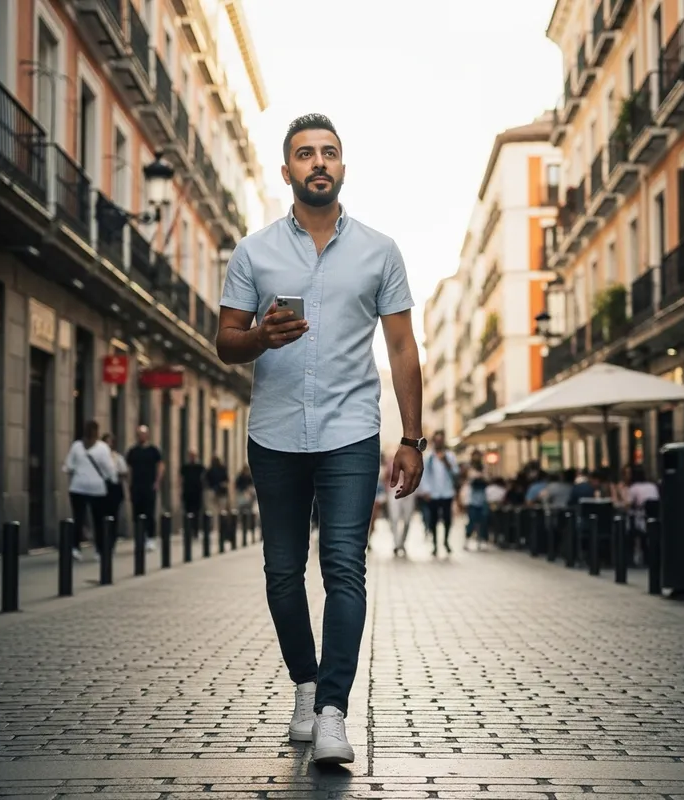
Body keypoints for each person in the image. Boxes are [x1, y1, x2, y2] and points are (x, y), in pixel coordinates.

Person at [216, 113, 424, 765]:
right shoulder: (254, 252)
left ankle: (333, 709)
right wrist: (260, 338)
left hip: (351, 432)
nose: (318, 162)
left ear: (342, 166)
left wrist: (412, 437)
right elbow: (225, 342)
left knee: (344, 568)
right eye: (305, 153)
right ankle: (305, 683)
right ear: (287, 172)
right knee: (282, 573)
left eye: (329, 152)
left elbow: (400, 347)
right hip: (275, 433)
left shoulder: (379, 250)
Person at [63, 420, 117, 561]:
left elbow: (68, 466)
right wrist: (110, 478)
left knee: (78, 519)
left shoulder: (77, 446)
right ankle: (99, 550)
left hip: (78, 487)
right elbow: (109, 468)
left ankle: (75, 548)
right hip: (97, 488)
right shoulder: (103, 448)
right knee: (98, 521)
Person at [418, 431, 459, 556]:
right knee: (433, 520)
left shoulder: (450, 456)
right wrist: (426, 491)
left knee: (447, 519)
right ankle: (435, 544)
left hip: (447, 493)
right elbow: (424, 476)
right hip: (433, 494)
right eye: (436, 440)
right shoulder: (428, 457)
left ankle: (446, 541)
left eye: (441, 440)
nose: (438, 443)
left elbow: (455, 473)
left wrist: (446, 462)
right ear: (434, 442)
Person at [126, 425, 165, 551]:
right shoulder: (133, 451)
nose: (141, 436)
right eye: (139, 434)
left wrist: (157, 482)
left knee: (149, 512)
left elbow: (160, 465)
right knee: (137, 512)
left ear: (147, 435)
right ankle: (139, 537)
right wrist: (129, 484)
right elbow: (129, 469)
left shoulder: (153, 450)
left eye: (143, 434)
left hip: (149, 486)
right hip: (136, 486)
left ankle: (151, 537)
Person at [102, 432, 128, 542]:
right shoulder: (99, 457)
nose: (108, 444)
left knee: (113, 513)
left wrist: (117, 473)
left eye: (110, 442)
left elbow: (124, 472)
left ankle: (112, 535)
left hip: (114, 488)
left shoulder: (117, 457)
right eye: (106, 442)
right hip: (101, 488)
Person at [180, 450, 205, 534]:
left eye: (193, 456)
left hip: (197, 493)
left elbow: (204, 478)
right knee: (187, 511)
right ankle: (188, 529)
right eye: (191, 456)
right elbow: (181, 479)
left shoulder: (200, 467)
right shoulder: (185, 467)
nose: (192, 457)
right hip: (187, 492)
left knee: (196, 512)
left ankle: (195, 530)